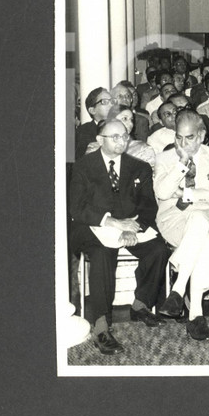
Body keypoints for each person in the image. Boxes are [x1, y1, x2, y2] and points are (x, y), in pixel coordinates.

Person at [68, 120, 170, 355]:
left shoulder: (140, 167)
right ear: (100, 139)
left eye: (124, 136)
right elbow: (77, 207)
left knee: (158, 250)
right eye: (114, 137)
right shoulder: (83, 166)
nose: (121, 141)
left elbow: (148, 206)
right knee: (102, 254)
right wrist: (111, 222)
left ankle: (141, 303)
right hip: (94, 225)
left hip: (129, 225)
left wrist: (134, 228)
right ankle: (101, 325)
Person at [153, 111, 209, 340]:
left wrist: (187, 193)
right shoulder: (164, 159)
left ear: (201, 136)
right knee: (207, 240)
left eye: (189, 138)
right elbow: (162, 193)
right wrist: (181, 163)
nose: (183, 143)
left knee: (200, 219)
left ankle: (178, 289)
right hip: (175, 219)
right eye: (178, 137)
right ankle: (196, 316)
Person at [84, 103, 156, 168]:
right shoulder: (94, 147)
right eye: (124, 119)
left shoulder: (142, 148)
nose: (130, 124)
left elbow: (149, 176)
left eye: (131, 119)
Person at [75, 87, 112, 160]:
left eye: (112, 101)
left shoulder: (121, 126)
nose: (112, 105)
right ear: (92, 110)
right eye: (104, 102)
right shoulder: (82, 132)